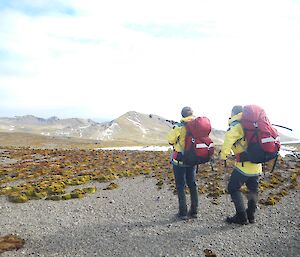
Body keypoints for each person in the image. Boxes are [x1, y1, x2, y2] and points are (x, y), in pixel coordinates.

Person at [220, 105, 262, 225]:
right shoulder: (254, 124)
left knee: (233, 188)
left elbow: (228, 139)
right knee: (253, 189)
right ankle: (251, 216)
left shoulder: (236, 125)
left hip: (244, 166)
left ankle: (241, 216)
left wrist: (223, 156)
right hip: (257, 164)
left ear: (234, 113)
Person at [167, 106, 199, 220]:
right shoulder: (197, 126)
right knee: (192, 184)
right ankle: (194, 211)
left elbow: (170, 140)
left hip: (180, 160)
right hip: (193, 160)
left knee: (180, 186)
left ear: (182, 115)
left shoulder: (178, 127)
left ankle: (183, 212)